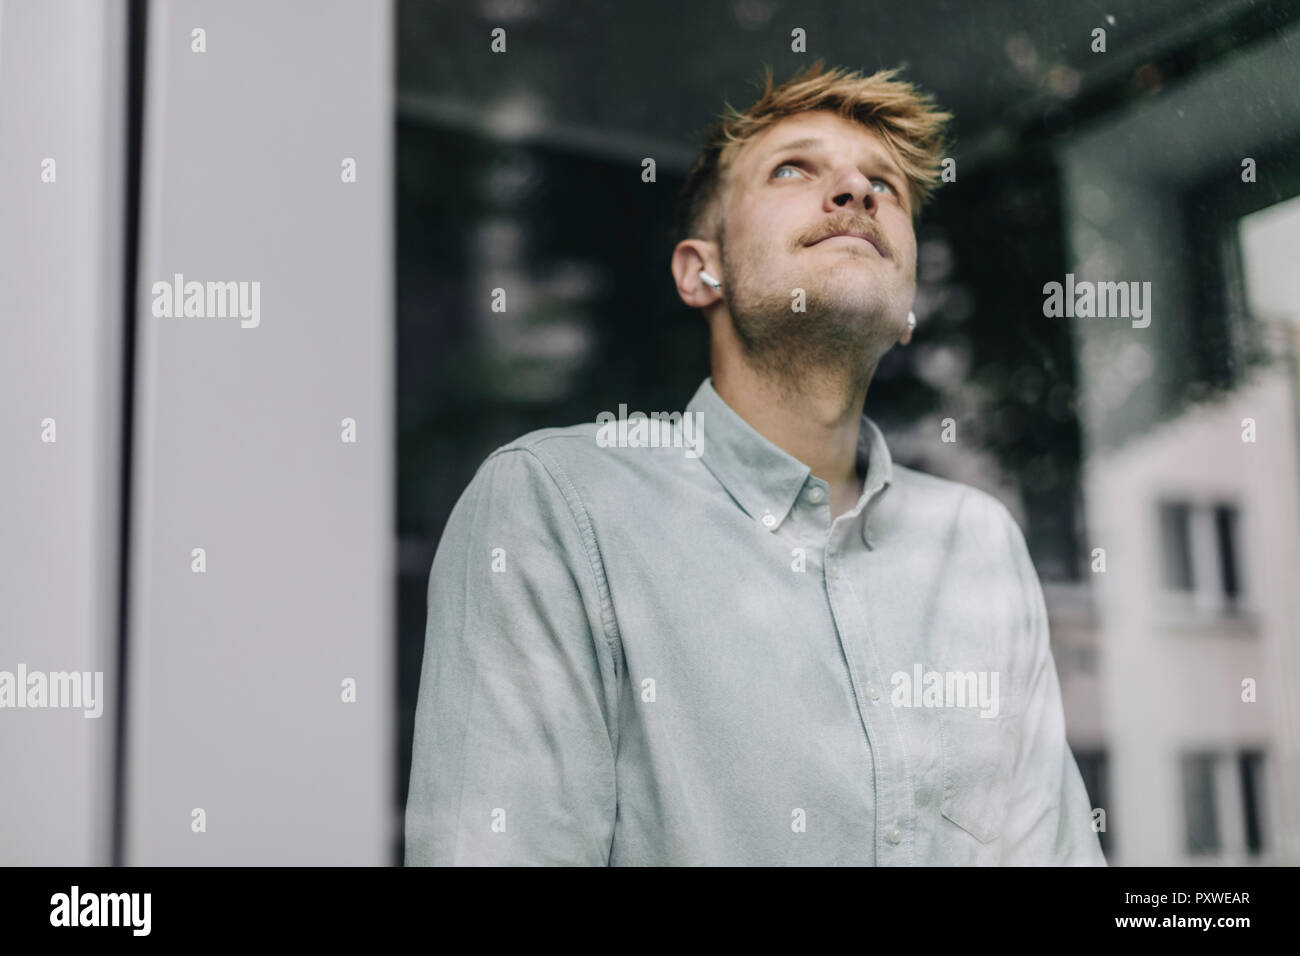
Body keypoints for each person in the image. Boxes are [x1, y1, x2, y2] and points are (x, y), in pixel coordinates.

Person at [405, 60, 1106, 866]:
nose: (856, 193)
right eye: (794, 169)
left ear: (910, 309)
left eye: (885, 185)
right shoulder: (554, 507)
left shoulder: (978, 541)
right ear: (701, 269)